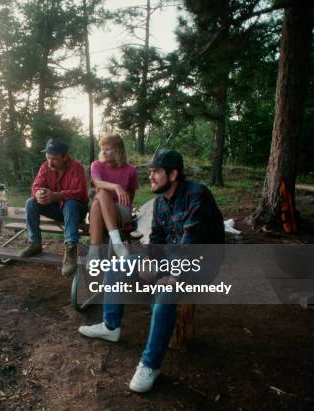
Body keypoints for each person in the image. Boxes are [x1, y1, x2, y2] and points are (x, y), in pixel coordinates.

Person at [78, 149, 225, 393]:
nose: (151, 176)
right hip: (172, 257)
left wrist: (173, 276)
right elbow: (157, 237)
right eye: (151, 172)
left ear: (173, 174)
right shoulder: (160, 202)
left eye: (156, 172)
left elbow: (192, 243)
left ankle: (150, 365)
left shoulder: (197, 195)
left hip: (202, 262)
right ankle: (111, 326)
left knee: (165, 295)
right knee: (118, 266)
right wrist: (149, 261)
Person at [20, 138, 88, 276]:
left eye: (54, 159)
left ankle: (71, 250)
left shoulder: (76, 167)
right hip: (56, 209)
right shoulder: (45, 167)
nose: (50, 162)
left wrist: (56, 196)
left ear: (64, 157)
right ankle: (35, 243)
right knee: (31, 202)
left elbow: (79, 192)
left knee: (70, 203)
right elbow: (35, 186)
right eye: (48, 157)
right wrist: (38, 193)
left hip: (76, 210)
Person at [88, 134, 139, 263]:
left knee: (98, 200)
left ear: (118, 150)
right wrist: (116, 186)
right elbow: (97, 183)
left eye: (108, 149)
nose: (103, 152)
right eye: (102, 149)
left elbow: (131, 194)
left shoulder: (131, 170)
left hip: (121, 211)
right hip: (99, 209)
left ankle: (93, 253)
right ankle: (117, 243)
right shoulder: (97, 165)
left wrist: (125, 206)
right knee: (101, 196)